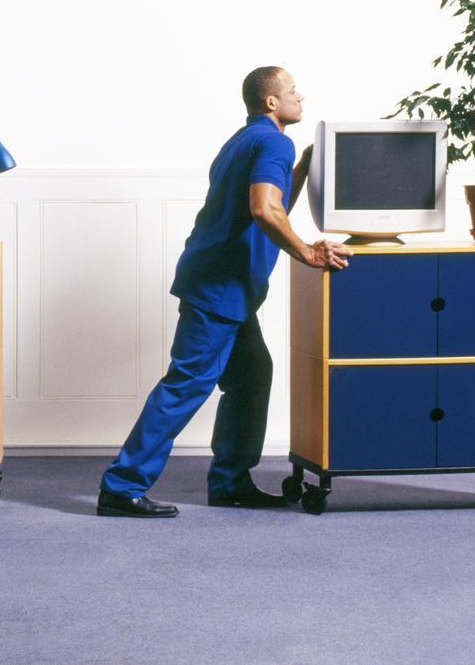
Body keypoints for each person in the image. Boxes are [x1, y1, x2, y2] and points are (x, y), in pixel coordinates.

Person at [96, 66, 350, 518]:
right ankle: (122, 485)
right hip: (220, 289)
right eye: (292, 90)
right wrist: (308, 252)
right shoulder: (275, 141)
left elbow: (268, 208)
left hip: (223, 285)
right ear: (271, 101)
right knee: (186, 384)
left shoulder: (245, 140)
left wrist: (302, 169)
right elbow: (263, 209)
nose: (300, 96)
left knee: (253, 375)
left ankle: (231, 481)